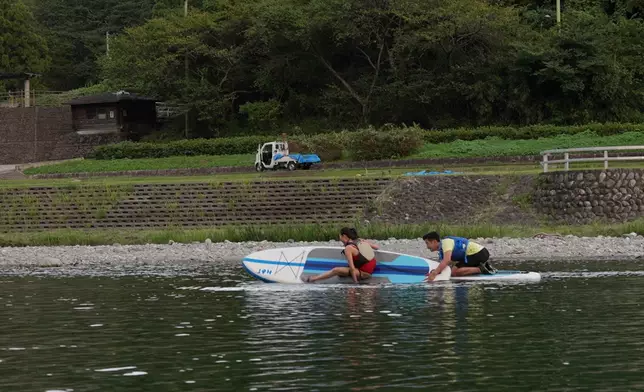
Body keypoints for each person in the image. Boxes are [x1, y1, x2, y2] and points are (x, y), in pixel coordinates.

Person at [304, 227, 379, 283]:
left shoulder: (348, 248)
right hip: (370, 268)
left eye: (340, 237)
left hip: (363, 273)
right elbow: (376, 247)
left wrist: (356, 283)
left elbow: (352, 268)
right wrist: (365, 241)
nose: (340, 239)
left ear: (344, 236)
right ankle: (344, 274)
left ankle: (312, 279)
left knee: (336, 270)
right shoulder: (359, 240)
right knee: (342, 272)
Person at [422, 232, 496, 282]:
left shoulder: (446, 243)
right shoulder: (442, 249)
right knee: (453, 271)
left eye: (427, 243)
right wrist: (434, 272)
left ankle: (481, 269)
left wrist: (434, 273)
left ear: (434, 242)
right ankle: (482, 266)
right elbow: (446, 265)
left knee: (455, 272)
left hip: (479, 253)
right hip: (473, 254)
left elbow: (447, 260)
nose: (427, 247)